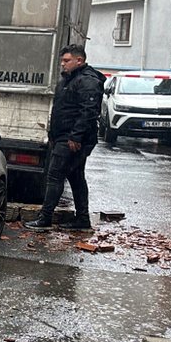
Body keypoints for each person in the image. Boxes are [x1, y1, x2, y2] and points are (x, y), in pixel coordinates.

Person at [24, 44, 106, 231]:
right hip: (64, 137)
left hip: (72, 140)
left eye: (66, 61)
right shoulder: (70, 79)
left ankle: (45, 219)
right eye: (62, 61)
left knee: (54, 176)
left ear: (80, 60)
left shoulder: (87, 81)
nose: (63, 64)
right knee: (76, 178)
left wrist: (75, 137)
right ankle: (82, 219)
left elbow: (89, 111)